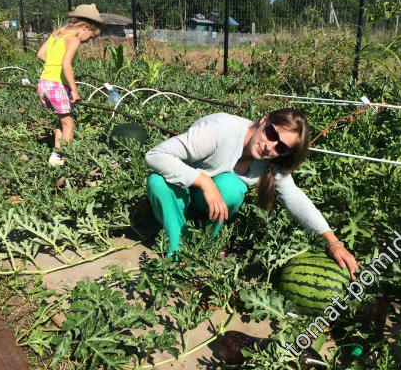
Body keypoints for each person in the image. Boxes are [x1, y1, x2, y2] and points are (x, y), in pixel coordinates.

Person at [145, 109, 359, 279]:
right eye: (271, 133)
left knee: (231, 186)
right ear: (264, 120)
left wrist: (333, 241)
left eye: (281, 148)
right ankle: (177, 249)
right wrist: (203, 181)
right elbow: (155, 155)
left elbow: (295, 198)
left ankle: (203, 246)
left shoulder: (270, 163)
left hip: (208, 206)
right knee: (157, 182)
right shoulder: (220, 131)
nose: (270, 146)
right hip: (178, 197)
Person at [36, 4, 104, 166]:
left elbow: (40, 54)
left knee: (62, 121)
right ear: (87, 27)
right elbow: (67, 64)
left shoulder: (56, 34)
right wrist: (74, 90)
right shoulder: (73, 39)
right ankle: (65, 158)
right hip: (57, 86)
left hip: (43, 84)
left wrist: (54, 65)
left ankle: (55, 157)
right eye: (91, 37)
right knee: (69, 124)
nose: (88, 41)